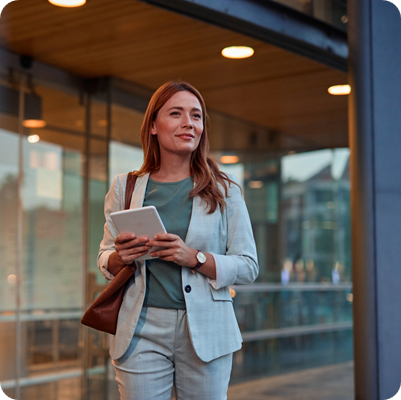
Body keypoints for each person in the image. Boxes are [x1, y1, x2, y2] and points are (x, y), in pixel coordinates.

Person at [97, 81, 258, 400]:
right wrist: (122, 257)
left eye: (196, 116)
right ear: (154, 125)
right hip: (140, 331)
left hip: (206, 330)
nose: (189, 123)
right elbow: (105, 258)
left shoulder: (225, 189)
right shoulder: (125, 187)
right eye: (176, 113)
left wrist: (195, 258)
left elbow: (248, 266)